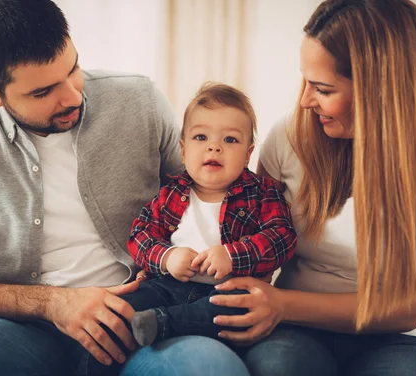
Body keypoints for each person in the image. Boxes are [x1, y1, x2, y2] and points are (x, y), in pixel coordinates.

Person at [0, 0, 250, 376]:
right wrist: (55, 303)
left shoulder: (138, 99)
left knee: (210, 369)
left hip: (146, 318)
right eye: (43, 91)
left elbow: (212, 195)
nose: (73, 96)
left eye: (73, 68)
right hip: (28, 331)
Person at [206, 0, 416, 376]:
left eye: (322, 89)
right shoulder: (290, 135)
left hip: (401, 337)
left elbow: (409, 307)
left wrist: (283, 303)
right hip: (295, 331)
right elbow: (253, 242)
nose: (305, 101)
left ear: (378, 90)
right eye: (305, 82)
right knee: (279, 366)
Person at [124, 83, 297, 346]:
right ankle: (150, 323)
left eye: (230, 140)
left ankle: (163, 323)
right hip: (169, 286)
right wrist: (167, 256)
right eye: (201, 137)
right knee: (127, 304)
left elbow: (281, 238)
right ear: (183, 149)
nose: (214, 147)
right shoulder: (170, 193)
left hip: (227, 290)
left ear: (248, 154)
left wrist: (232, 255)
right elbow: (140, 235)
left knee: (238, 310)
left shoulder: (262, 194)